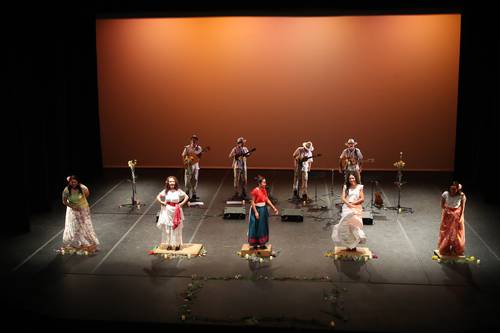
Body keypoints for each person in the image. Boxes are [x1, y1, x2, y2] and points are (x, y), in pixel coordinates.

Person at [61, 175, 99, 253]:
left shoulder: (83, 188)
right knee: (75, 226)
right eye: (72, 182)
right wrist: (73, 206)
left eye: (75, 182)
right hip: (72, 210)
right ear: (69, 182)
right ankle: (77, 243)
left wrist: (81, 203)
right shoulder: (66, 190)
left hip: (83, 209)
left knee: (85, 225)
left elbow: (87, 194)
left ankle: (88, 242)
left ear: (78, 182)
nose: (73, 183)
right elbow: (64, 201)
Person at [331, 173, 366, 251]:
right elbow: (343, 198)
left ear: (356, 178)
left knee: (355, 226)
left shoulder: (360, 187)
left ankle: (354, 245)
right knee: (346, 226)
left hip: (356, 208)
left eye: (353, 178)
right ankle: (348, 245)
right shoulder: (346, 186)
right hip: (347, 207)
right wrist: (348, 204)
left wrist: (353, 204)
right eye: (350, 178)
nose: (351, 180)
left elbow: (362, 198)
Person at [156, 176, 189, 251]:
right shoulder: (166, 191)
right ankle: (169, 244)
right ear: (168, 183)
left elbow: (186, 197)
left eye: (173, 181)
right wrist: (162, 202)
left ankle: (177, 244)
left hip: (176, 210)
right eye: (170, 181)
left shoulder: (178, 191)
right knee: (168, 227)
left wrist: (181, 204)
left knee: (177, 226)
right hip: (168, 210)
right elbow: (158, 196)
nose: (172, 183)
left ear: (175, 182)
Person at [248, 176, 279, 250]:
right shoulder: (255, 190)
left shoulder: (264, 190)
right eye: (264, 182)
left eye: (265, 182)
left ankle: (262, 243)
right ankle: (254, 243)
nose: (265, 184)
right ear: (259, 183)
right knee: (255, 226)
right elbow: (252, 202)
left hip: (263, 210)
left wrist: (274, 208)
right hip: (257, 209)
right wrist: (255, 212)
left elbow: (267, 199)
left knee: (262, 226)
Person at [438, 181, 466, 256]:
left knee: (457, 232)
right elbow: (442, 205)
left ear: (457, 189)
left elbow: (462, 208)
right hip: (447, 214)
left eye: (454, 189)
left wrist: (460, 217)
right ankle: (445, 248)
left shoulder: (462, 196)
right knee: (446, 231)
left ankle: (456, 249)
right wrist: (447, 211)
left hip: (457, 215)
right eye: (451, 189)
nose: (452, 191)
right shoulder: (445, 194)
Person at [181, 134, 203, 201]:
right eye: (192, 139)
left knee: (195, 180)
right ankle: (187, 194)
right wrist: (187, 160)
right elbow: (183, 155)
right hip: (189, 165)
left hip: (196, 165)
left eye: (195, 139)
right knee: (187, 180)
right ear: (191, 140)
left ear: (197, 141)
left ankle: (194, 194)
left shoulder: (199, 148)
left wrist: (196, 157)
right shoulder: (187, 147)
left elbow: (200, 157)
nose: (194, 141)